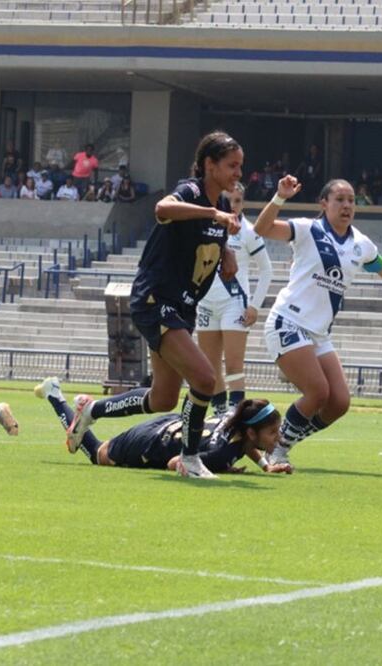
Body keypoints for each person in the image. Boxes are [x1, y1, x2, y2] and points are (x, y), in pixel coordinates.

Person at [67, 131, 243, 480]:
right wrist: (213, 216)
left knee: (163, 398)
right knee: (205, 379)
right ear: (209, 165)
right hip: (155, 300)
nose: (238, 173)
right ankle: (190, 459)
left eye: (240, 166)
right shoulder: (193, 193)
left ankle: (91, 410)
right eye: (232, 165)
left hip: (182, 307)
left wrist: (226, 251)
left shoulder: (221, 206)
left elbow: (201, 238)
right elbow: (163, 209)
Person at [254, 176, 382, 469]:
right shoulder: (307, 229)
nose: (347, 205)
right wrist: (279, 198)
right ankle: (278, 451)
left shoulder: (360, 244)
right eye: (340, 199)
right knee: (318, 392)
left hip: (319, 335)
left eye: (351, 200)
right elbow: (262, 229)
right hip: (289, 322)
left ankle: (284, 441)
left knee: (339, 403)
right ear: (324, 204)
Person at [35, 378, 290, 474]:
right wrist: (219, 468)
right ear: (251, 431)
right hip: (151, 443)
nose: (277, 438)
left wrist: (266, 467)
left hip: (168, 424)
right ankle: (55, 395)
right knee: (96, 453)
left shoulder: (237, 422)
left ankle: (84, 406)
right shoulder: (221, 453)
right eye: (272, 432)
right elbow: (173, 463)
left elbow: (244, 447)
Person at [196, 183, 274, 417]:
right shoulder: (206, 226)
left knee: (233, 366)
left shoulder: (248, 232)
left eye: (238, 200)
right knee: (210, 368)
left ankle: (236, 414)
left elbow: (267, 270)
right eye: (228, 200)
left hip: (234, 304)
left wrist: (254, 306)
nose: (232, 205)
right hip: (205, 303)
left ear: (243, 203)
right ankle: (220, 414)